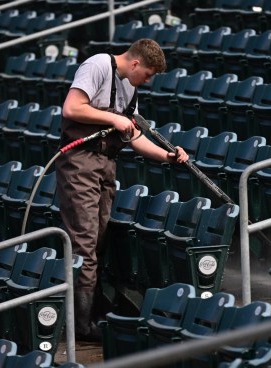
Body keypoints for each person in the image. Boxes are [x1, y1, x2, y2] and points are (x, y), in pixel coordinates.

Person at [55, 38, 189, 341]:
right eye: (149, 74)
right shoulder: (98, 65)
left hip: (106, 164)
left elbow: (134, 136)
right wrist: (114, 118)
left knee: (99, 239)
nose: (149, 81)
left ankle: (89, 312)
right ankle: (81, 324)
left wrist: (165, 156)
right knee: (85, 242)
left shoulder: (130, 87)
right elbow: (72, 107)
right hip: (80, 163)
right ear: (136, 63)